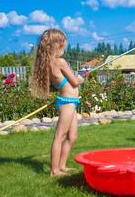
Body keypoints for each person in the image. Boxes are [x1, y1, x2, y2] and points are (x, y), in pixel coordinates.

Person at [30, 29, 84, 177]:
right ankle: (55, 171)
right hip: (67, 102)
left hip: (71, 102)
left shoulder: (49, 62)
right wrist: (81, 78)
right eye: (63, 46)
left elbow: (59, 83)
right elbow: (74, 82)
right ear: (57, 45)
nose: (64, 49)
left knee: (72, 136)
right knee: (60, 136)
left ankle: (62, 166)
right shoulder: (60, 62)